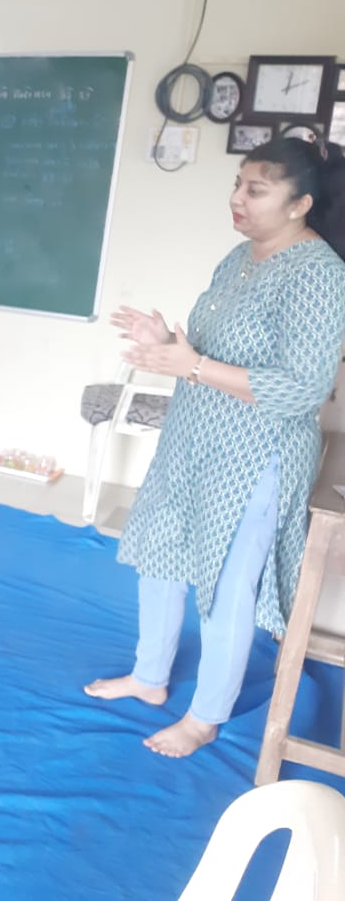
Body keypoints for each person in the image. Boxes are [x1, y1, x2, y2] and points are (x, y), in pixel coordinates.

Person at [84, 139, 345, 758]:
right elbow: (213, 349)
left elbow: (304, 388)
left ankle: (204, 717)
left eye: (256, 189)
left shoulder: (318, 273)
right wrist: (166, 341)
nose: (237, 198)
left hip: (254, 454)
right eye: (237, 184)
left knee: (227, 586)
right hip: (193, 437)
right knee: (161, 555)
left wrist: (193, 365)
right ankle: (150, 677)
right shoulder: (239, 256)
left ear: (300, 204)